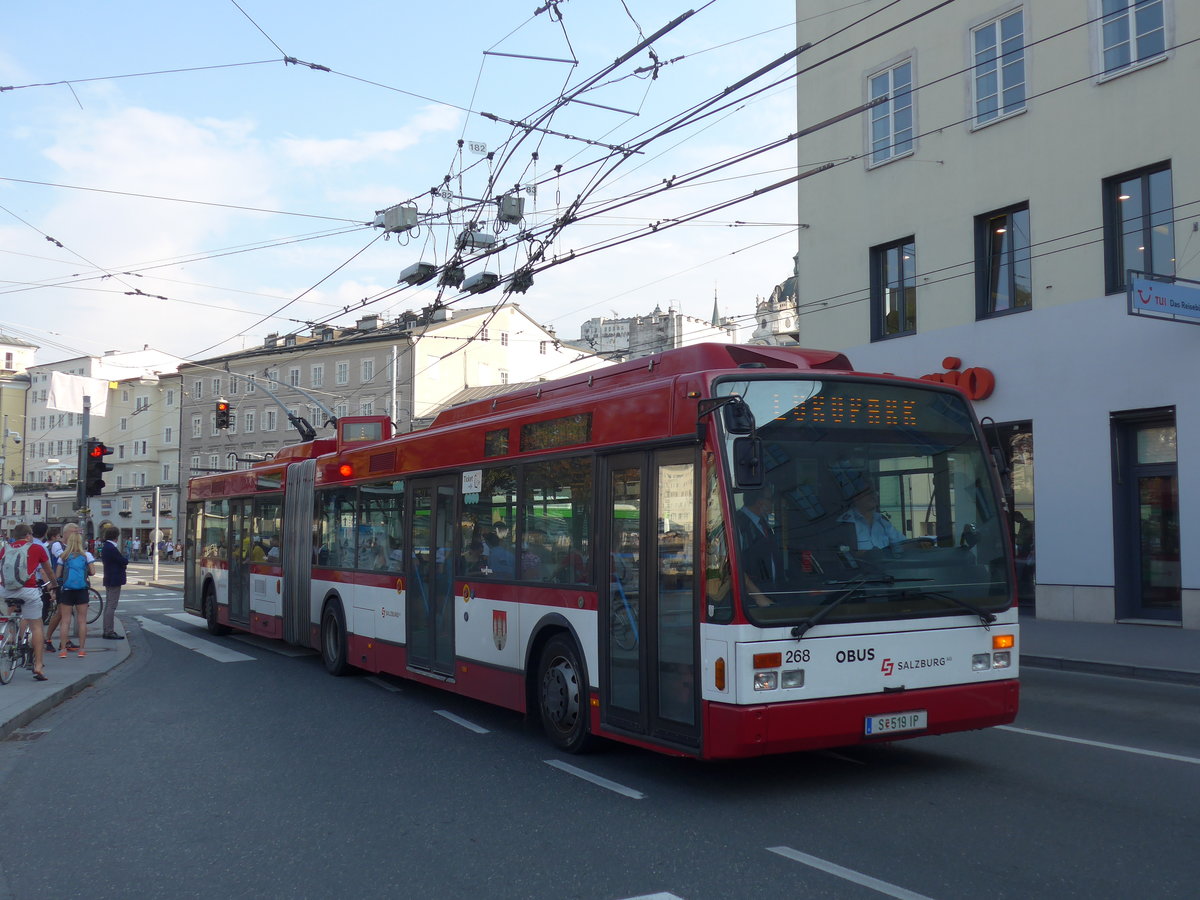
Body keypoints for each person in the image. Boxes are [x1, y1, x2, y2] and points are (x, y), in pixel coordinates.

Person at [1, 523, 56, 680]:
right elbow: (48, 570)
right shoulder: (36, 548)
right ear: (29, 535)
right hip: (28, 590)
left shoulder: (6, 549)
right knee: (37, 626)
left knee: (7, 616)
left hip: (5, 590)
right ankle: (38, 665)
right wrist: (54, 585)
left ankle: (9, 637)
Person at [735, 484, 785, 606]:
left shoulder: (762, 522)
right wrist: (758, 597)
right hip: (753, 601)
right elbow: (735, 565)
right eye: (770, 499)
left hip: (772, 592)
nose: (772, 503)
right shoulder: (738, 523)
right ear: (759, 502)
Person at [44, 522, 84, 651]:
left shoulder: (68, 546)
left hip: (68, 583)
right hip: (60, 583)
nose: (77, 535)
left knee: (63, 613)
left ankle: (62, 640)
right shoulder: (57, 545)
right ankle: (49, 639)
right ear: (65, 533)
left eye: (78, 532)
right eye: (74, 532)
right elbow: (64, 558)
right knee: (61, 613)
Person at [54, 531, 94, 658]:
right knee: (82, 620)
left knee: (65, 621)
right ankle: (82, 649)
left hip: (67, 590)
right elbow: (92, 572)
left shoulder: (63, 556)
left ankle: (63, 650)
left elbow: (58, 575)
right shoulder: (86, 555)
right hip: (82, 590)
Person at [838, 485, 906, 551]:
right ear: (856, 498)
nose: (873, 496)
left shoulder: (882, 521)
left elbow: (903, 543)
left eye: (874, 493)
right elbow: (847, 553)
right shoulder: (846, 523)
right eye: (868, 493)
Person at [99, 526, 128, 640]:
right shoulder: (111, 547)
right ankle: (109, 631)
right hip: (114, 579)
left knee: (108, 605)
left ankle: (107, 629)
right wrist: (125, 561)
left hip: (109, 578)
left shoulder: (106, 546)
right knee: (112, 605)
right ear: (116, 536)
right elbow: (122, 560)